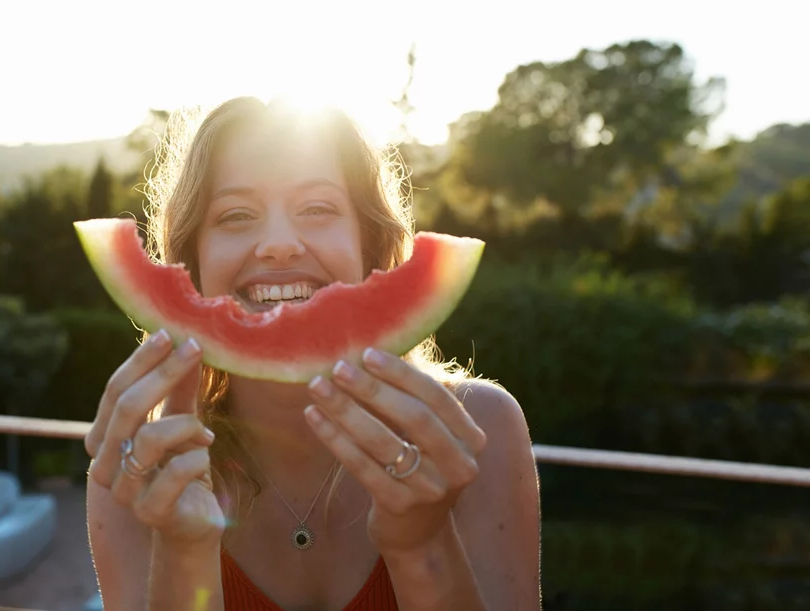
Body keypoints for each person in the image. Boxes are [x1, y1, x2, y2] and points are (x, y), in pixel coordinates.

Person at [84, 96, 541, 610]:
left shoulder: (479, 428)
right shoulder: (137, 470)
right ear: (193, 260)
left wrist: (422, 542)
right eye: (236, 215)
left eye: (318, 208)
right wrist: (183, 550)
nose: (279, 244)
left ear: (368, 244)